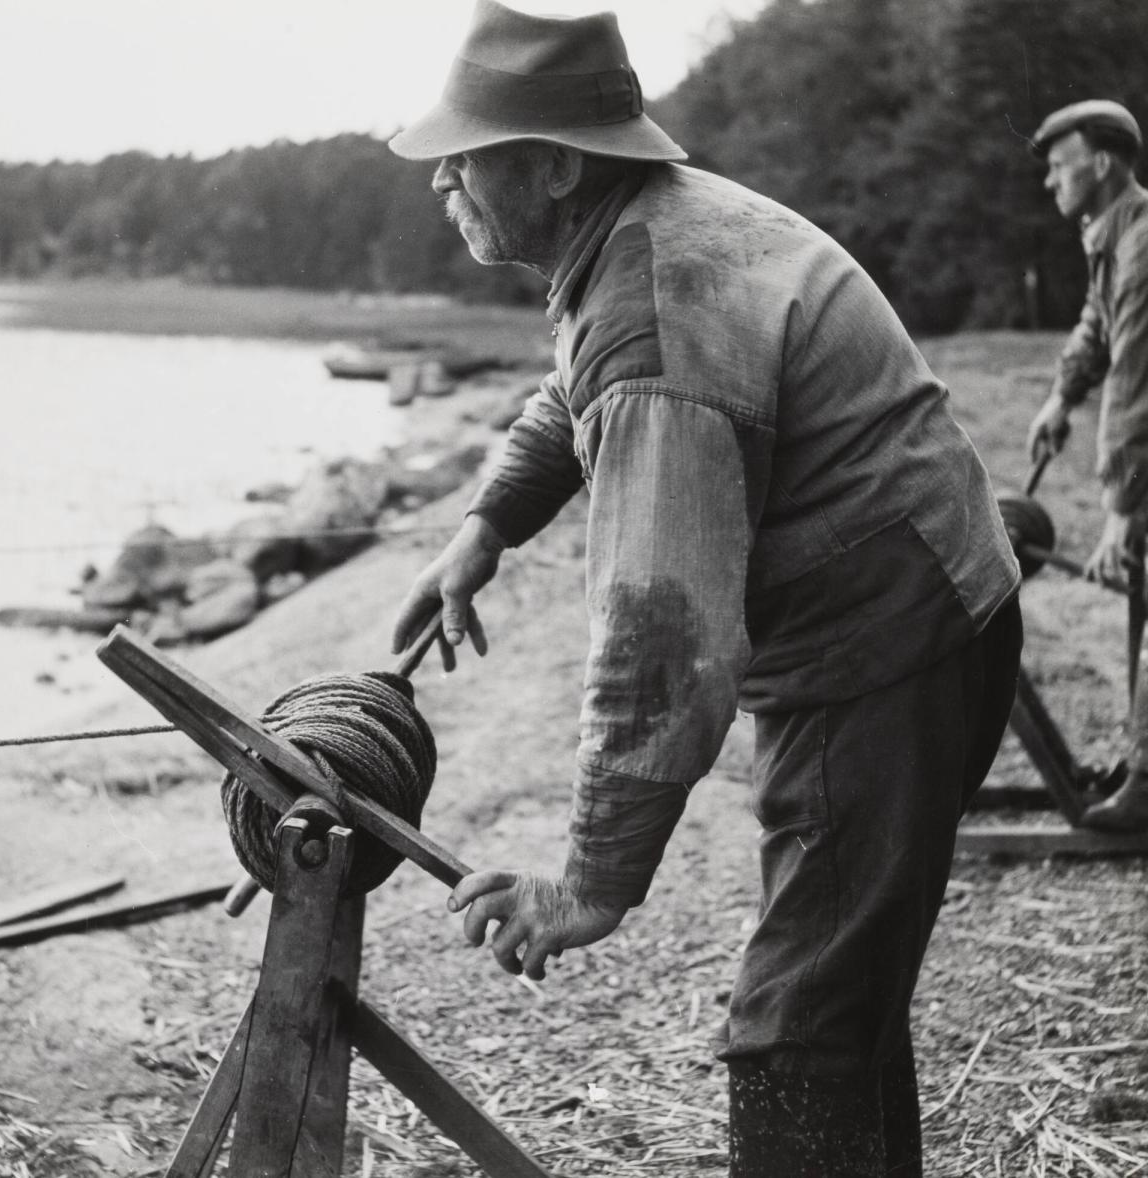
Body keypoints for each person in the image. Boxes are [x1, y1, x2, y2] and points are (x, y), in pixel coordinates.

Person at [388, 3, 1022, 1173]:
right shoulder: (638, 236)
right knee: (842, 993)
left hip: (887, 644)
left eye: (462, 156)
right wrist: (484, 526)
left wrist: (589, 884)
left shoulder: (659, 312)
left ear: (556, 163)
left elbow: (665, 654)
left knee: (795, 1031)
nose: (441, 182)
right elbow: (571, 394)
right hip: (907, 602)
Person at [1025, 99, 1148, 832]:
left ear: (1100, 165)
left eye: (1059, 165)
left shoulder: (1143, 247)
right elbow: (1098, 326)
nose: (1050, 181)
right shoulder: (1114, 232)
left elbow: (1135, 388)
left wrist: (1119, 516)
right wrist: (1058, 397)